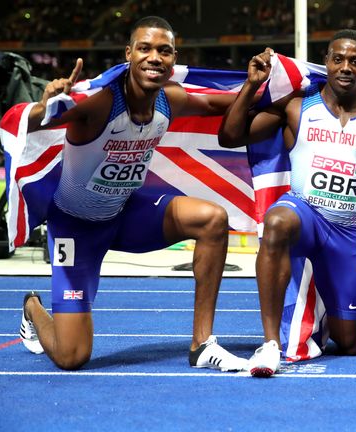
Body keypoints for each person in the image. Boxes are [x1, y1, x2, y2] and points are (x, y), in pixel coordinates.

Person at [19, 16, 247, 371]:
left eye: (164, 51)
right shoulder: (99, 105)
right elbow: (36, 121)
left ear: (174, 59)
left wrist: (265, 91)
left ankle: (202, 343)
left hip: (125, 215)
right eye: (145, 48)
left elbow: (221, 105)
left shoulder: (169, 101)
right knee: (71, 357)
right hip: (74, 228)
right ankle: (32, 306)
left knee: (212, 220)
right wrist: (46, 102)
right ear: (129, 54)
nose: (155, 57)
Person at [219, 29, 356, 377]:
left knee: (349, 343)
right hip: (303, 214)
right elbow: (229, 137)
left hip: (346, 233)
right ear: (327, 62)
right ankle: (270, 344)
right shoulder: (296, 107)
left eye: (355, 61)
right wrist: (251, 86)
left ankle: (324, 317)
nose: (346, 67)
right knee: (276, 223)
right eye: (338, 59)